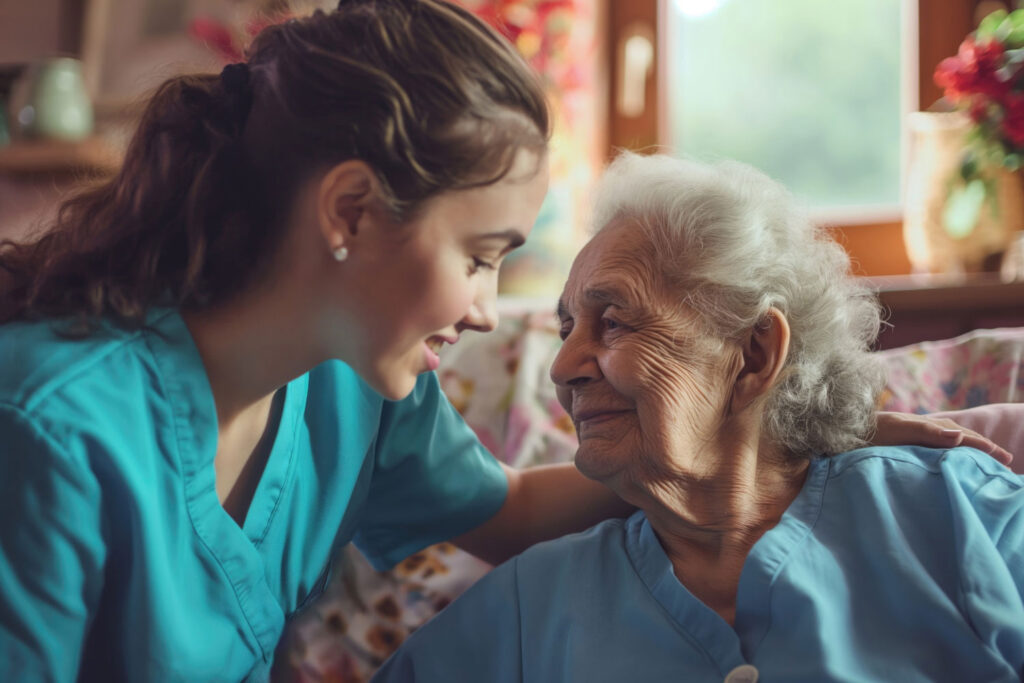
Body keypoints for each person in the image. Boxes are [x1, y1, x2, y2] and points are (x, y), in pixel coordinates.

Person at [0, 2, 1008, 680]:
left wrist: (805, 424)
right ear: (350, 212)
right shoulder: (51, 429)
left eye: (605, 320)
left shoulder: (360, 393)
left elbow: (515, 503)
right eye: (484, 254)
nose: (493, 311)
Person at [372, 152, 1024, 683]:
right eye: (567, 327)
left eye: (615, 321)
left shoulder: (956, 514)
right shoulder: (527, 609)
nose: (562, 365)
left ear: (755, 352)